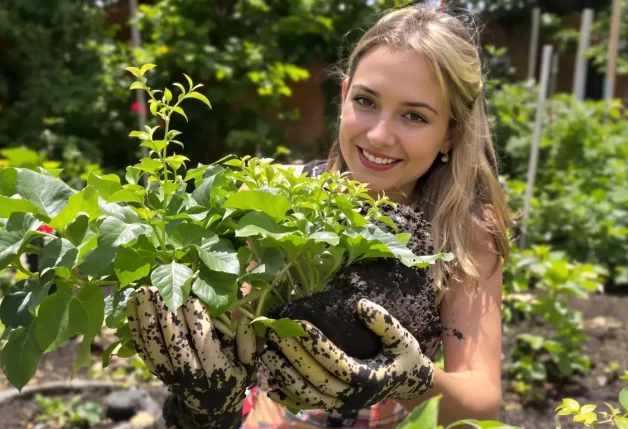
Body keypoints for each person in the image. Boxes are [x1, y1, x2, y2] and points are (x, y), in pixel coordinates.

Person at [127, 3, 512, 429]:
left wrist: (412, 377)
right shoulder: (276, 198)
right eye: (366, 101)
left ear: (451, 134)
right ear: (343, 96)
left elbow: (482, 402)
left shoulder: (460, 230)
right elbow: (234, 343)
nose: (380, 135)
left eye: (414, 116)